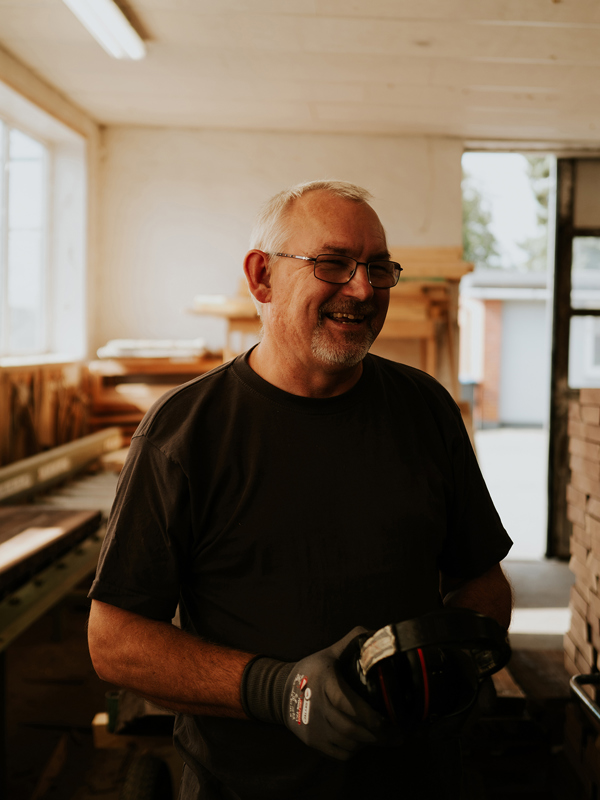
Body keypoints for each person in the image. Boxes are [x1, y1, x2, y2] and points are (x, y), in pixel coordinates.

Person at [88, 180, 513, 799]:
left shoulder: (426, 410)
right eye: (333, 263)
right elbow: (115, 641)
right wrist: (276, 690)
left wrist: (456, 665)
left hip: (416, 781)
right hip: (243, 785)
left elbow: (481, 580)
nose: (363, 288)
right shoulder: (185, 433)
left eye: (378, 268)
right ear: (262, 278)